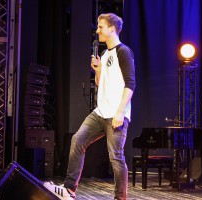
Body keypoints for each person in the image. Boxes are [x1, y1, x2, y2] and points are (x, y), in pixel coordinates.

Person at [44, 13, 136, 200]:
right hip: (100, 112)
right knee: (77, 140)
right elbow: (101, 83)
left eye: (101, 27)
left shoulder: (123, 51)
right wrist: (99, 71)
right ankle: (70, 190)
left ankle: (121, 198)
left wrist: (120, 112)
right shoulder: (105, 53)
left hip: (116, 114)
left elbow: (130, 84)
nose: (97, 30)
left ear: (112, 29)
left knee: (116, 157)